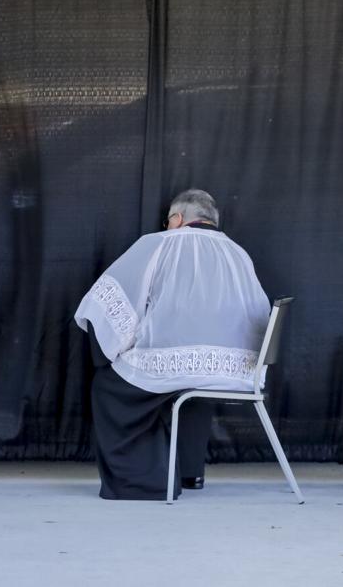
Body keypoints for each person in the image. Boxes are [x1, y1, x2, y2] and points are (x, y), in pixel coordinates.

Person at [74, 189, 271, 501]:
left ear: (177, 219)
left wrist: (114, 349)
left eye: (168, 221)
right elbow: (259, 313)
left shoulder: (158, 244)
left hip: (171, 368)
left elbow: (110, 301)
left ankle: (144, 482)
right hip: (238, 372)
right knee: (195, 389)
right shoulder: (238, 253)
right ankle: (189, 473)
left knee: (109, 386)